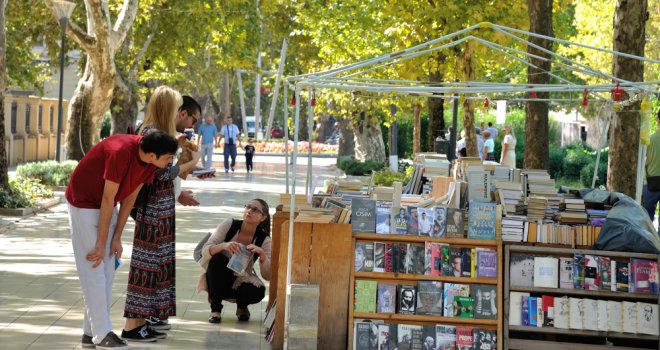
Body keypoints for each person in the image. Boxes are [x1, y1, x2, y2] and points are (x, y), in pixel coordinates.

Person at [65, 130, 178, 349]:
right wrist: (100, 241)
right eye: (168, 158)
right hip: (84, 203)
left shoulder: (149, 164)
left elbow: (129, 200)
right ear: (153, 155)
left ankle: (90, 333)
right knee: (94, 267)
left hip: (107, 205)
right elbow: (107, 199)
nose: (170, 162)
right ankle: (102, 333)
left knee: (108, 269)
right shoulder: (120, 152)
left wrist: (116, 237)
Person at [122, 87, 201, 342]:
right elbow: (159, 173)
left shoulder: (158, 132)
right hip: (152, 209)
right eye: (177, 107)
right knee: (145, 266)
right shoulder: (151, 133)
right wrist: (192, 163)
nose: (180, 112)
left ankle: (144, 320)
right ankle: (133, 325)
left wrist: (177, 149)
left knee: (156, 266)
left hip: (161, 208)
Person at [198, 199, 272, 323]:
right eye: (248, 207)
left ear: (263, 218)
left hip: (240, 278)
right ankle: (215, 310)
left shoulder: (264, 240)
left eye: (255, 209)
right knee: (218, 260)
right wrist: (224, 246)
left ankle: (242, 306)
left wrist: (262, 256)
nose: (249, 211)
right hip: (218, 276)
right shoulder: (229, 224)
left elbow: (268, 275)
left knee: (258, 292)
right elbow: (205, 250)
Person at [644, 110, 660, 230]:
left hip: (651, 183)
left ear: (658, 121)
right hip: (652, 182)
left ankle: (649, 242)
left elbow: (644, 163)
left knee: (648, 216)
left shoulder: (649, 140)